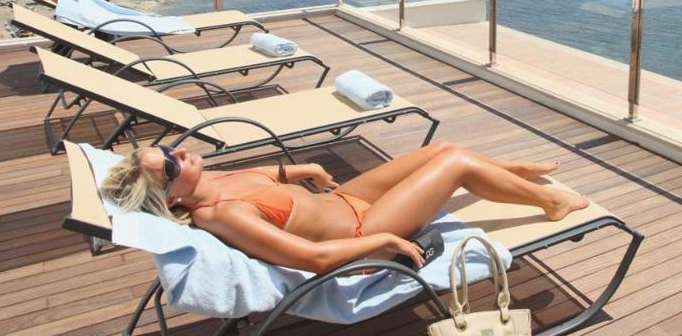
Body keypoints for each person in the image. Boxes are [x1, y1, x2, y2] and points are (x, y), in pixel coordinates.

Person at [102, 141, 589, 273]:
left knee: (442, 149)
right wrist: (383, 239)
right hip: (362, 231)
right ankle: (550, 202)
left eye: (166, 149)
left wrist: (306, 168)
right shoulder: (220, 214)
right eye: (169, 165)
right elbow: (312, 258)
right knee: (456, 165)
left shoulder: (212, 178)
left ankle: (512, 171)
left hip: (345, 200)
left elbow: (270, 176)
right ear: (172, 197)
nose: (179, 154)